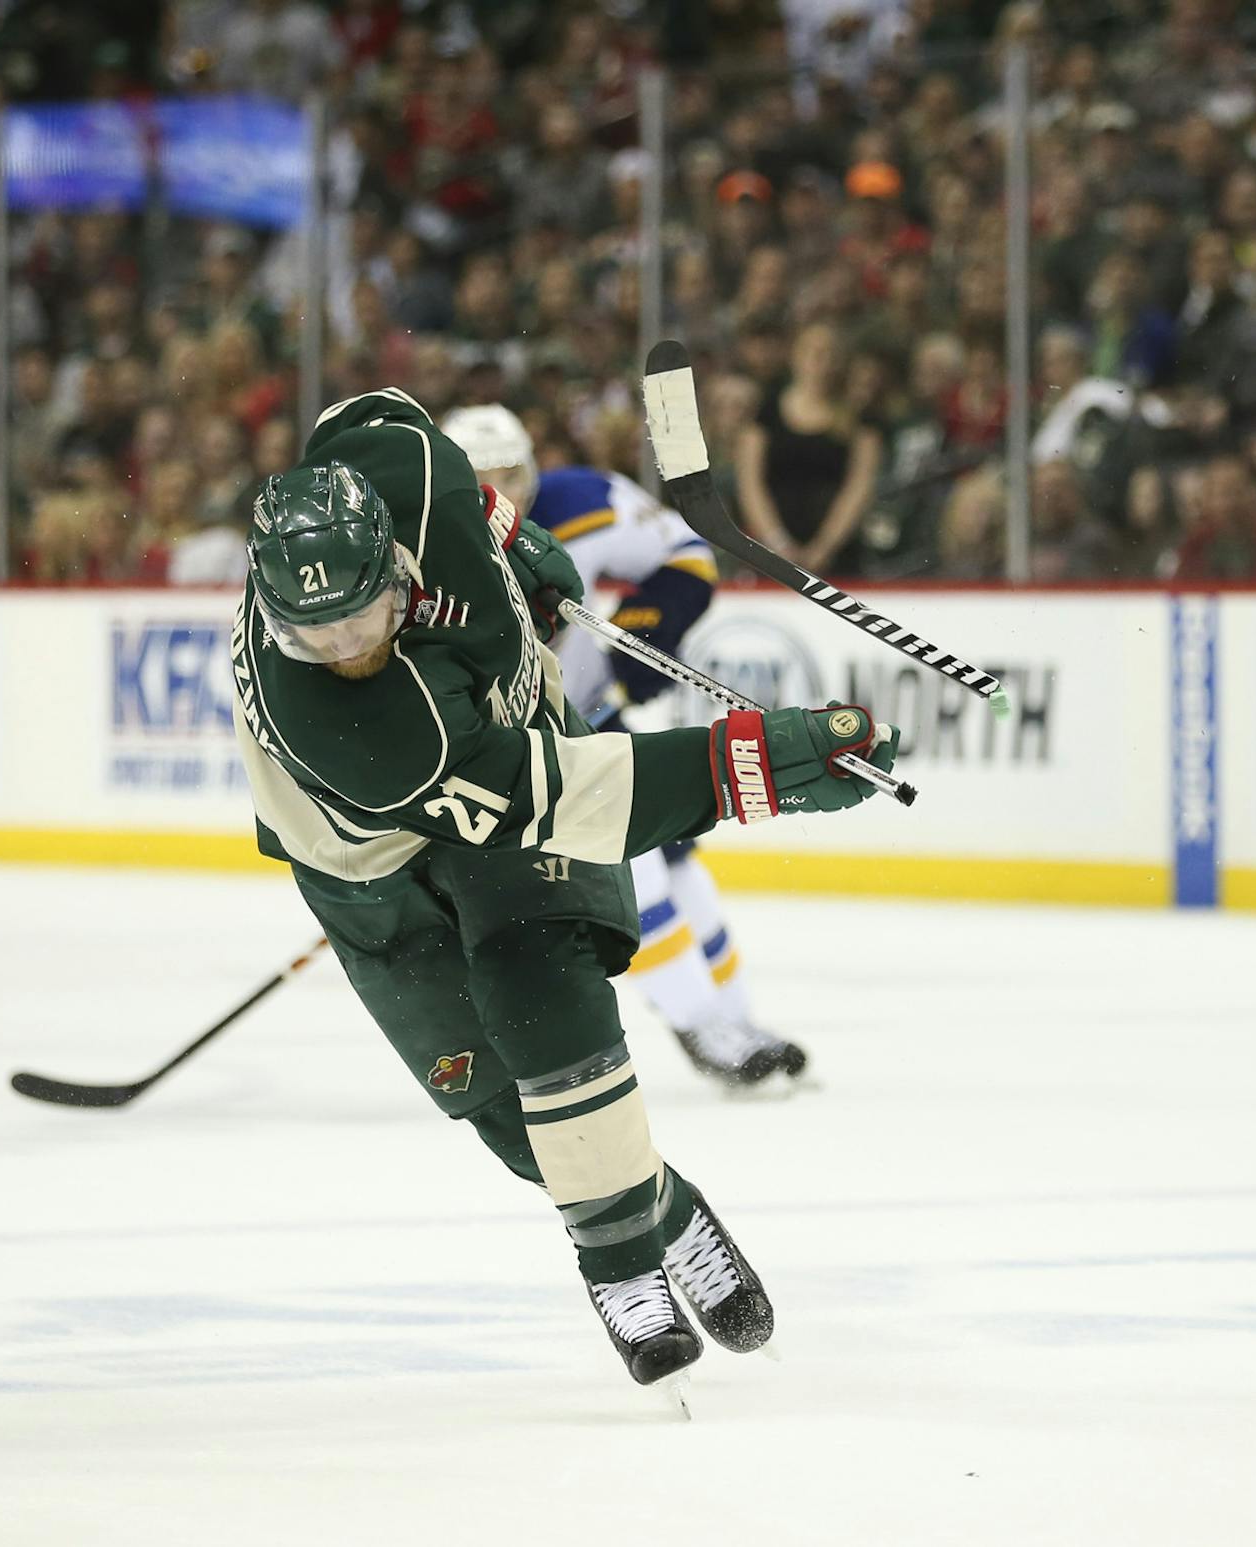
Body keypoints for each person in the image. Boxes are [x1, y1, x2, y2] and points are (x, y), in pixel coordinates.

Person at [232, 386, 899, 1400]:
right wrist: (762, 765)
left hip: (508, 751)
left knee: (543, 989)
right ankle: (662, 1207)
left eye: (362, 616)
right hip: (365, 857)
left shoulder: (408, 471)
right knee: (498, 1101)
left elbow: (371, 408)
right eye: (314, 636)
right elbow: (561, 801)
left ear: (391, 561)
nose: (347, 650)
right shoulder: (351, 721)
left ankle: (615, 1260)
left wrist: (509, 530)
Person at [441, 402, 804, 1088]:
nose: (502, 493)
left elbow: (683, 551)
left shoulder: (584, 500)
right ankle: (702, 1024)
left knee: (676, 861)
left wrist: (648, 626)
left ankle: (737, 1019)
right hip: (513, 756)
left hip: (592, 722)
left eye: (512, 473)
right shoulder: (423, 543)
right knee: (634, 871)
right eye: (480, 477)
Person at [735, 322, 882, 575]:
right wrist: (779, 545)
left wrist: (824, 548)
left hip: (837, 557)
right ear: (795, 356)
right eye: (813, 352)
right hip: (772, 556)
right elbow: (750, 484)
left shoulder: (860, 422)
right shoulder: (765, 415)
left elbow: (859, 487)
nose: (820, 362)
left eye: (829, 354)